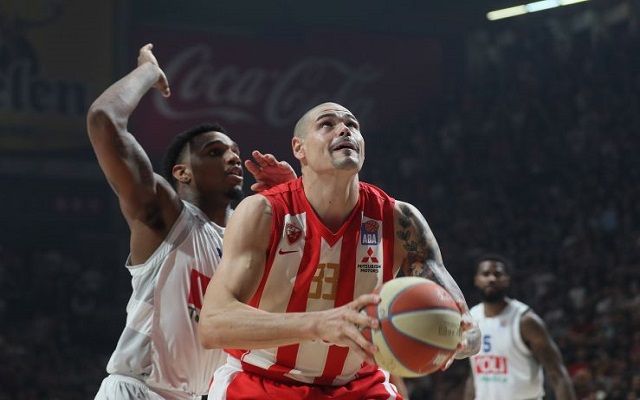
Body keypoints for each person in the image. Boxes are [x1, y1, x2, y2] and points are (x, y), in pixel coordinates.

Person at [198, 102, 480, 400]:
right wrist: (320, 324)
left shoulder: (401, 221)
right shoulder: (264, 212)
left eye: (352, 125)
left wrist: (461, 338)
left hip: (359, 385)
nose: (345, 129)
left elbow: (467, 328)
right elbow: (213, 324)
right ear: (299, 148)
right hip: (262, 380)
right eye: (327, 124)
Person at [87, 44, 295, 400]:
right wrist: (148, 72)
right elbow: (103, 120)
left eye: (235, 152)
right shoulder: (165, 217)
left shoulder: (251, 239)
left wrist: (293, 196)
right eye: (215, 152)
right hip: (139, 389)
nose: (232, 158)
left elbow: (313, 284)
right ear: (182, 173)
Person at [464, 254, 576, 400]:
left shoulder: (525, 321)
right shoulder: (472, 318)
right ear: (476, 280)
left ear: (507, 280)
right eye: (486, 274)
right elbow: (474, 375)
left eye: (497, 274)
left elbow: (558, 375)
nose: (491, 279)